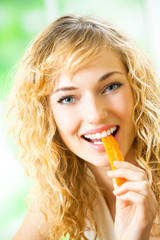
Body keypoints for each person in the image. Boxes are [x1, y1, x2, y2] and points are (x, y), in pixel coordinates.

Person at [7, 14, 160, 240]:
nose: (95, 115)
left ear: (137, 88)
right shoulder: (61, 190)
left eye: (110, 86)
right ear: (47, 115)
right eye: (68, 98)